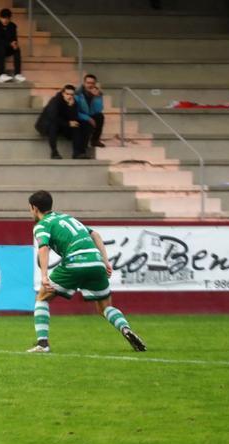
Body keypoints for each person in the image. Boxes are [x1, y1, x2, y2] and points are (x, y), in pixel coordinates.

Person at [27, 190, 147, 353]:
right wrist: (105, 262)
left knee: (42, 297)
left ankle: (42, 344)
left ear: (34, 208)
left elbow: (43, 247)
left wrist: (44, 276)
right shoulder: (67, 218)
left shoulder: (42, 224)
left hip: (75, 262)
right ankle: (125, 329)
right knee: (104, 307)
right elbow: (95, 235)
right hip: (96, 261)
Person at [35, 84, 87, 160]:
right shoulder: (55, 101)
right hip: (47, 125)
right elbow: (52, 117)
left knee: (76, 125)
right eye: (67, 94)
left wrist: (71, 107)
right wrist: (68, 123)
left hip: (63, 126)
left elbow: (74, 118)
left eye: (72, 94)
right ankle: (54, 152)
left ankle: (77, 153)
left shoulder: (73, 102)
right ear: (63, 93)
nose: (69, 96)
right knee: (53, 125)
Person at [0, 8, 25, 83]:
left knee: (17, 49)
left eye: (7, 19)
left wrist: (14, 44)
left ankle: (17, 74)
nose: (5, 20)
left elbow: (14, 38)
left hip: (8, 46)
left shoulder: (12, 26)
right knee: (1, 48)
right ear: (0, 18)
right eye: (3, 18)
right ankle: (1, 74)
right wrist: (9, 43)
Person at [76, 74, 105, 148]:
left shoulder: (98, 94)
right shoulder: (77, 94)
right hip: (80, 116)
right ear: (84, 83)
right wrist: (87, 118)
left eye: (92, 83)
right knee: (86, 124)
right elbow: (75, 111)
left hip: (90, 114)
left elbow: (98, 110)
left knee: (100, 116)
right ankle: (83, 145)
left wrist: (96, 97)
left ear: (95, 84)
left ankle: (95, 140)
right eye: (88, 83)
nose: (90, 85)